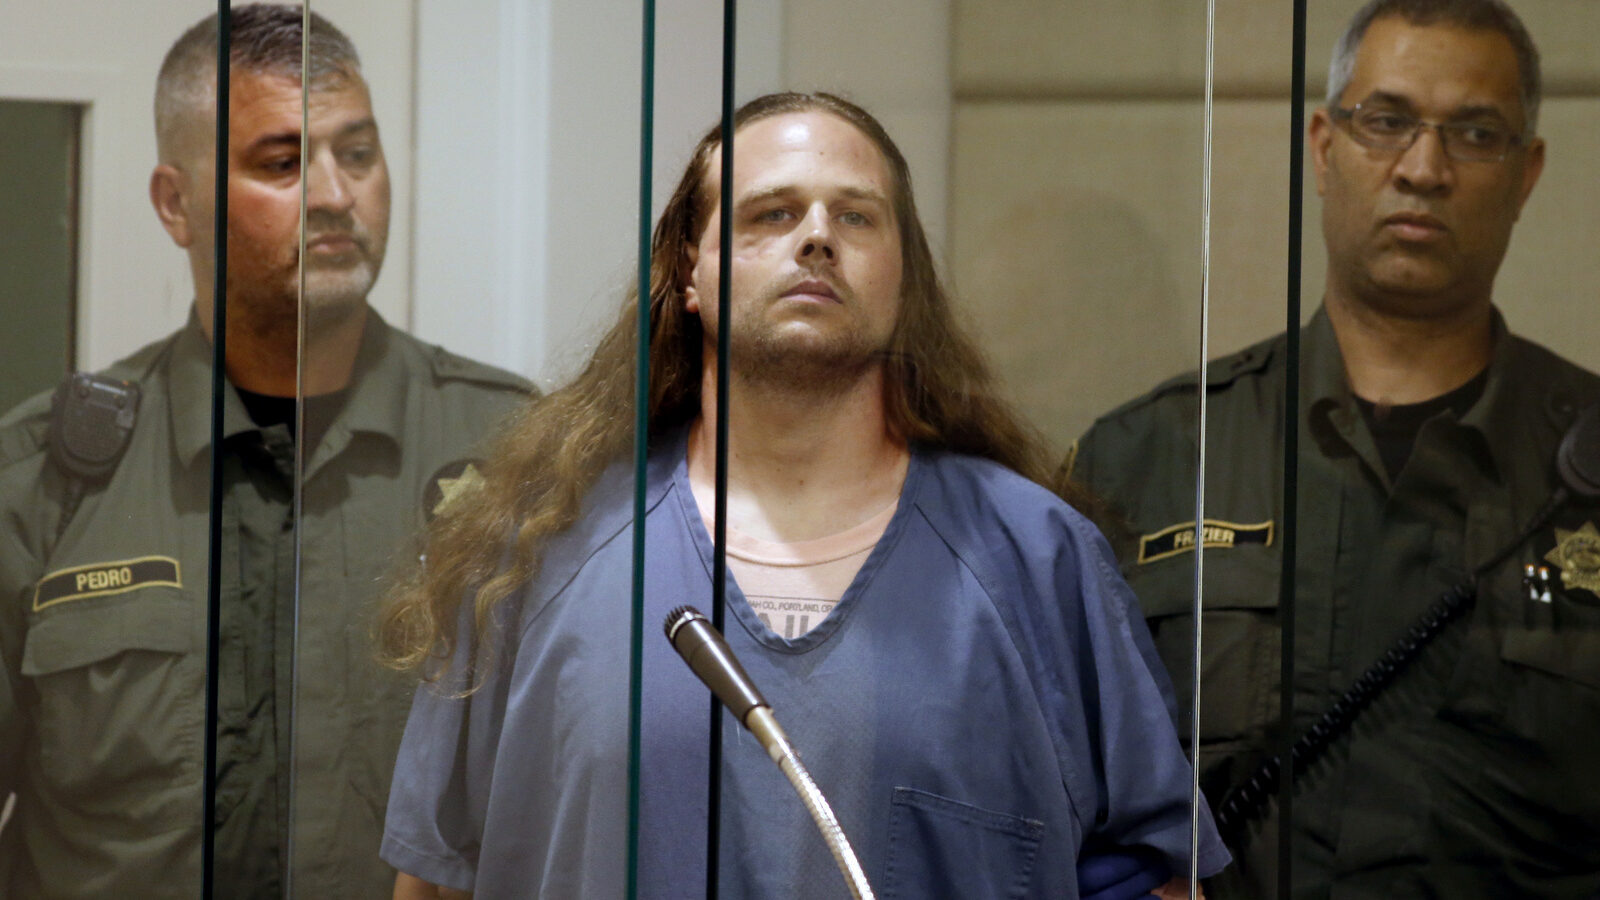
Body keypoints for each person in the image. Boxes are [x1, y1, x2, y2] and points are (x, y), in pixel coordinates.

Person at [376, 91, 1229, 899]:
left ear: (906, 282)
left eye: (855, 216)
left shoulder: (1037, 558)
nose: (817, 237)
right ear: (690, 273)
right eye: (770, 214)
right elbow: (435, 881)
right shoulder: (537, 553)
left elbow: (1164, 878)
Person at [1071, 0, 1600, 896]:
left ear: (1526, 174)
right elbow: (1050, 792)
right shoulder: (1150, 459)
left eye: (1475, 133)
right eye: (1386, 122)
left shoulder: (1581, 465)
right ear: (1323, 145)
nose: (1423, 169)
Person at [0, 5, 530, 897]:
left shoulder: (511, 457)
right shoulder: (44, 480)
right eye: (282, 162)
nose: (334, 193)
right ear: (176, 203)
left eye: (357, 154)